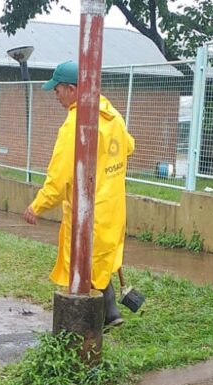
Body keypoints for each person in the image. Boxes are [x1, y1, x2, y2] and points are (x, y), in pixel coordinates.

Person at [23, 60, 135, 328]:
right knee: (100, 259)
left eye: (58, 89)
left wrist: (37, 206)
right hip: (113, 207)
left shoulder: (76, 123)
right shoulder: (111, 114)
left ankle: (86, 324)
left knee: (82, 264)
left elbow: (60, 176)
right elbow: (129, 146)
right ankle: (111, 314)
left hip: (89, 209)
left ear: (72, 89)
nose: (56, 95)